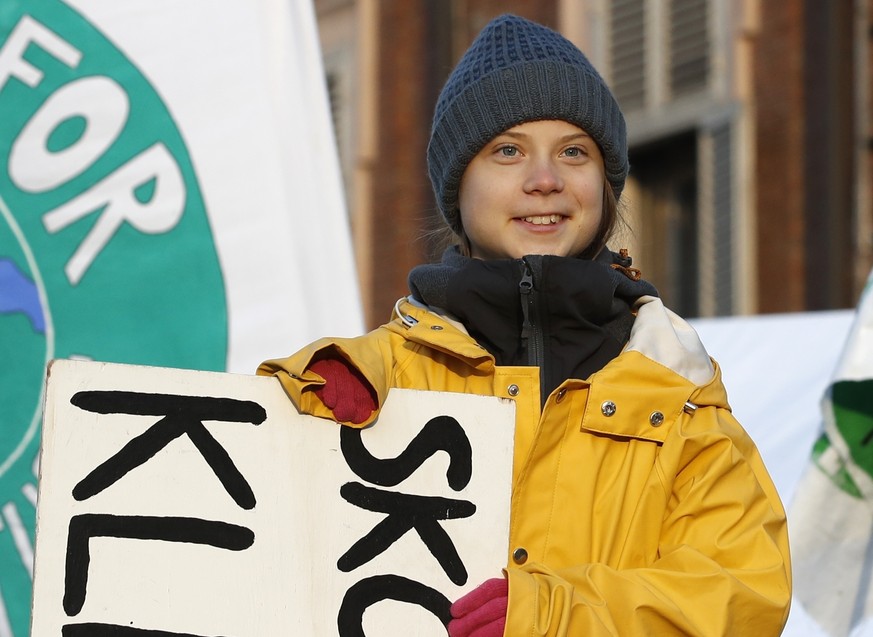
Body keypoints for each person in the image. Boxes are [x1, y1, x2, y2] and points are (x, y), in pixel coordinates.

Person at [258, 13, 791, 636]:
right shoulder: (365, 376)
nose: (545, 180)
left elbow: (743, 595)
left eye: (574, 152)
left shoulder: (680, 397)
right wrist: (302, 395)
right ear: (459, 187)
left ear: (605, 185)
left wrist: (556, 617)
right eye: (508, 150)